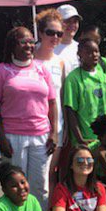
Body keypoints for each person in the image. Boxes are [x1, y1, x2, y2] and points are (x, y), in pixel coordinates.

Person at [0, 26, 58, 204]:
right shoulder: (0, 71)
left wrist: (54, 133)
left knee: (40, 187)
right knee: (15, 187)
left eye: (32, 42)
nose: (29, 45)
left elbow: (52, 102)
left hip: (41, 136)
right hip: (13, 137)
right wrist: (1, 138)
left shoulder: (42, 69)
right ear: (12, 45)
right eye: (23, 42)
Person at [61, 37, 106, 151]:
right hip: (85, 140)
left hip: (103, 139)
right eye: (89, 52)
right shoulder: (73, 79)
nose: (94, 55)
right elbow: (70, 111)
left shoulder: (104, 77)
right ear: (79, 54)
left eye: (96, 51)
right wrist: (80, 139)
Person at [34, 8, 68, 145]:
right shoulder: (29, 60)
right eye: (50, 32)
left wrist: (66, 128)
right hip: (33, 129)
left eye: (59, 34)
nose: (55, 37)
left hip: (56, 128)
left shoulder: (60, 62)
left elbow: (62, 97)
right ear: (40, 33)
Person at [54, 3, 83, 71]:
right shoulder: (47, 49)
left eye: (75, 21)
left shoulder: (81, 48)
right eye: (67, 21)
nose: (72, 25)